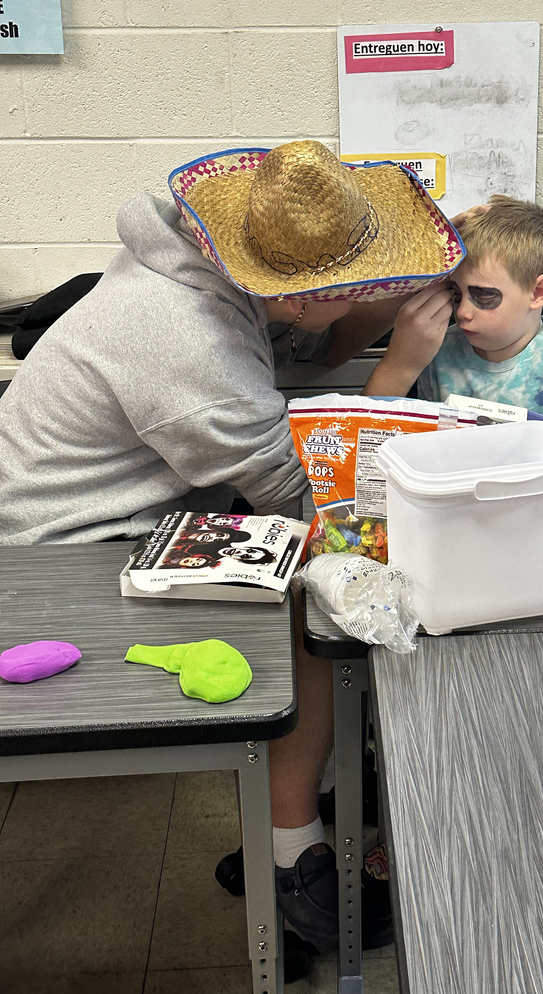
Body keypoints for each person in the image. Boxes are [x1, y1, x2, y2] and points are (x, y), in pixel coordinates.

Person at [0, 140, 464, 955]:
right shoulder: (186, 342)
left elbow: (316, 342)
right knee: (314, 593)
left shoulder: (205, 266)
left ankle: (308, 784)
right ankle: (292, 851)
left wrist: (393, 291)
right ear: (298, 293)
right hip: (59, 560)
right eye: (349, 285)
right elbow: (316, 505)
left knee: (314, 574)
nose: (358, 294)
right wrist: (397, 370)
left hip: (121, 517)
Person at [364, 195, 543, 435]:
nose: (462, 312)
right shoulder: (438, 350)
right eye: (455, 293)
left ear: (537, 292)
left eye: (484, 295)